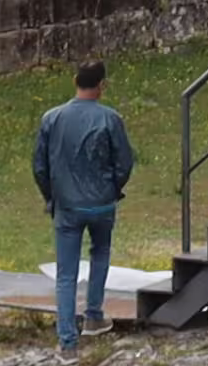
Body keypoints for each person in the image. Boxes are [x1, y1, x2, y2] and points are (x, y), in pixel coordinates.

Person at [32, 64, 136, 348]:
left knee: (66, 274)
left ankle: (67, 342)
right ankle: (94, 315)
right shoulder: (110, 119)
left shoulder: (52, 118)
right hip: (101, 203)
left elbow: (40, 166)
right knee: (100, 253)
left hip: (67, 205)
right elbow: (124, 162)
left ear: (75, 80)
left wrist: (51, 197)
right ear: (102, 85)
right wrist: (113, 189)